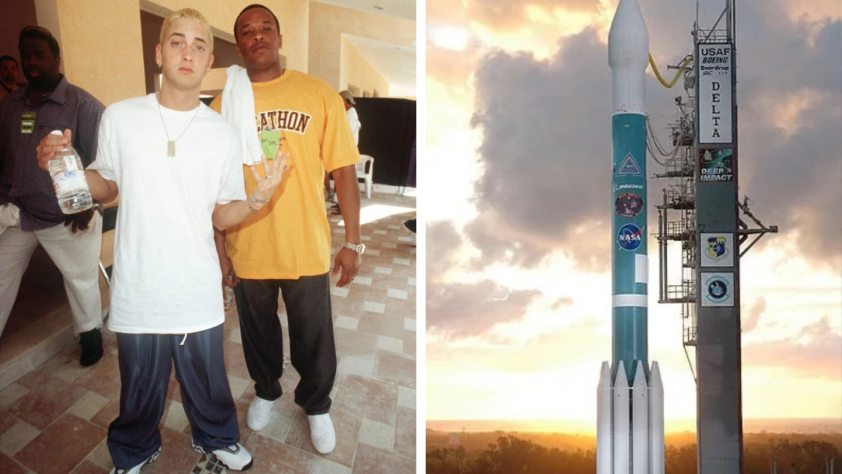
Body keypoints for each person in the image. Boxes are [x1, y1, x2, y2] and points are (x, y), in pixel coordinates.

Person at [37, 9, 289, 473]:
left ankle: (216, 436)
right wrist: (68, 163)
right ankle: (134, 449)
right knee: (139, 384)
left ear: (209, 57)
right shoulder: (121, 117)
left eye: (198, 45)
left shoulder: (224, 134)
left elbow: (221, 213)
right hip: (139, 280)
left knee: (208, 379)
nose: (187, 52)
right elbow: (107, 186)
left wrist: (255, 202)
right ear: (159, 53)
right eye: (177, 42)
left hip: (195, 282)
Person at [210, 3, 363, 455]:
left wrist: (353, 240)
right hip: (248, 243)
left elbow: (344, 174)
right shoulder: (224, 104)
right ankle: (266, 390)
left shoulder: (317, 94)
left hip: (305, 243)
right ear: (238, 43)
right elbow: (212, 187)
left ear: (279, 37)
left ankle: (316, 405)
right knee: (257, 333)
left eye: (265, 28)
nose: (257, 36)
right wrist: (220, 251)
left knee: (314, 335)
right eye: (246, 31)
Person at [0, 26, 104, 367]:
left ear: (56, 59)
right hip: (18, 212)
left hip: (66, 216)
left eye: (39, 55)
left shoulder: (82, 104)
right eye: (25, 54)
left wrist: (87, 206)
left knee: (80, 280)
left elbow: (103, 161)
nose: (31, 61)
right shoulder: (11, 104)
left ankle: (90, 337)